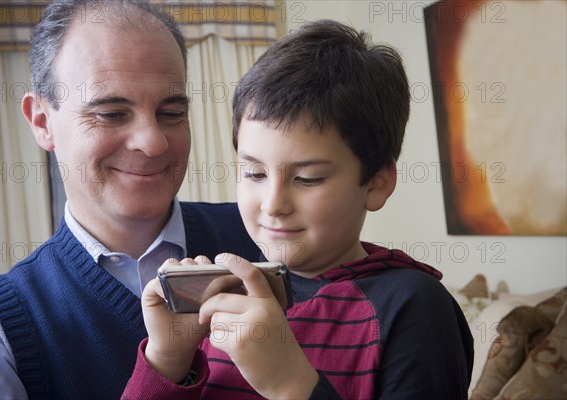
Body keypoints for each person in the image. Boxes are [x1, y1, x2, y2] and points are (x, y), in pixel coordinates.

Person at [121, 19, 474, 399]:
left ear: (377, 182)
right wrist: (168, 356)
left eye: (307, 179)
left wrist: (289, 384)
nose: (273, 204)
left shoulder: (414, 308)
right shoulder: (231, 291)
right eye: (255, 173)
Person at [0, 1, 262, 398]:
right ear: (42, 121)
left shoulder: (266, 235)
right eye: (110, 113)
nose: (153, 142)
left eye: (171, 113)